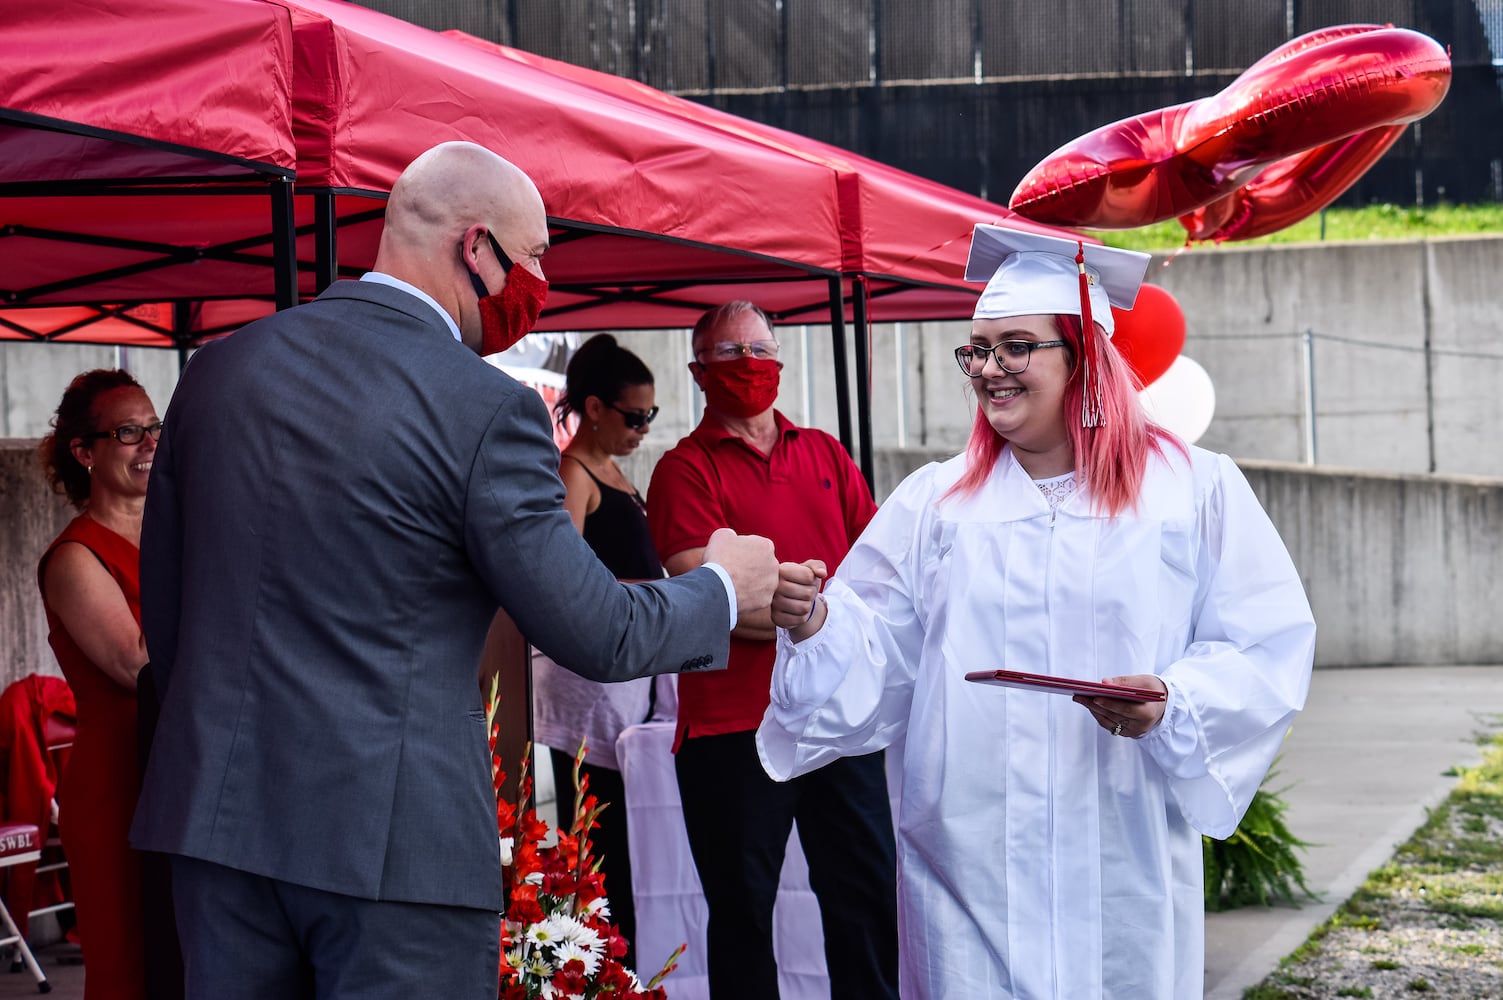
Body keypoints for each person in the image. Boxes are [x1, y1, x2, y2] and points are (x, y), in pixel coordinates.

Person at [130, 141, 778, 1000]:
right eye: (537, 255)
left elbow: (169, 618)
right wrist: (725, 584)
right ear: (477, 249)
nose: (541, 283)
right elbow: (596, 629)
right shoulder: (482, 406)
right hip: (394, 842)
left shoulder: (217, 371)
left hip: (216, 821)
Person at [757, 225, 1318, 999]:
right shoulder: (937, 506)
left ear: (1082, 357)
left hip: (1120, 857)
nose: (989, 370)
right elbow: (880, 656)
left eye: (1015, 346)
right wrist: (815, 622)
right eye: (978, 350)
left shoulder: (1192, 491)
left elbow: (1265, 646)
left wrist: (1172, 702)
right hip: (969, 866)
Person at [646, 301, 900, 999]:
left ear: (780, 358)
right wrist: (811, 611)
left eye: (758, 348)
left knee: (865, 895)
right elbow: (706, 595)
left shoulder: (822, 450)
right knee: (741, 911)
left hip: (838, 718)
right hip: (732, 725)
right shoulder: (683, 469)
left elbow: (875, 572)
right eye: (727, 354)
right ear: (699, 372)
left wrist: (801, 609)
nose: (747, 365)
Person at [532, 333, 667, 965]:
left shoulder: (613, 472)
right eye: (633, 417)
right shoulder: (574, 474)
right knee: (599, 840)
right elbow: (562, 580)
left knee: (626, 836)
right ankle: (603, 964)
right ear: (593, 407)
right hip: (592, 694)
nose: (642, 429)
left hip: (629, 682)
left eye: (650, 417)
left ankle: (625, 960)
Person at [36, 369, 157, 1000]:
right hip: (120, 783)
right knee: (129, 968)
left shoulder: (174, 533)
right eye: (129, 432)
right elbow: (139, 664)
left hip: (181, 771)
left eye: (154, 427)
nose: (150, 444)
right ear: (85, 452)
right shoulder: (74, 557)